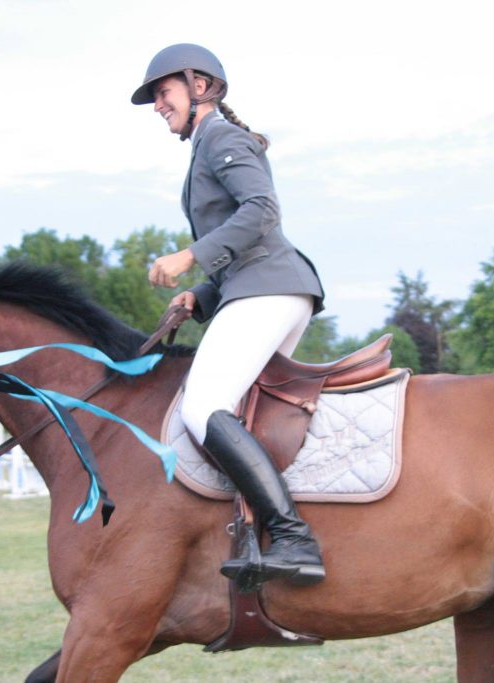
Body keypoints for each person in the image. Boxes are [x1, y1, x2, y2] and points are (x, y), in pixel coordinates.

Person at [132, 44, 326, 587]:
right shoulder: (206, 145)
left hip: (270, 290)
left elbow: (261, 211)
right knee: (237, 411)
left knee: (203, 406)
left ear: (200, 87)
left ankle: (292, 537)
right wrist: (201, 293)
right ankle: (252, 529)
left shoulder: (220, 136)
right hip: (264, 289)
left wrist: (190, 255)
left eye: (162, 93)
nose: (156, 106)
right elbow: (239, 248)